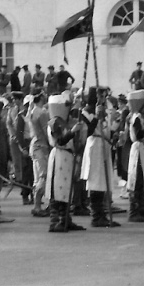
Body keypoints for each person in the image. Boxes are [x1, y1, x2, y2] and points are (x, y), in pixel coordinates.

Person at [45, 94, 86, 232]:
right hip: (59, 157)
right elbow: (60, 141)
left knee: (66, 190)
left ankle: (65, 219)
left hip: (67, 158)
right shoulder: (54, 123)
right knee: (57, 190)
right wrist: (73, 132)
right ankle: (54, 221)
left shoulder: (65, 121)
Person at [80, 92, 120, 228]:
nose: (104, 99)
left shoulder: (105, 111)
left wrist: (115, 129)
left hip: (104, 145)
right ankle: (96, 216)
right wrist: (97, 117)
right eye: (101, 97)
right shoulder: (85, 112)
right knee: (96, 182)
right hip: (95, 147)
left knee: (103, 181)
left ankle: (102, 214)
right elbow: (88, 131)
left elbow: (108, 129)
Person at [126, 90, 144, 222]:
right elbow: (139, 135)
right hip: (138, 149)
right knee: (137, 181)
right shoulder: (137, 118)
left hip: (141, 149)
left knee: (142, 181)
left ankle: (142, 209)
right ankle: (135, 211)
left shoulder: (140, 117)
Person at [27, 91, 50, 217]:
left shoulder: (31, 110)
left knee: (38, 178)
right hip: (41, 145)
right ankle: (37, 206)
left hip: (34, 145)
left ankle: (37, 205)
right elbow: (47, 131)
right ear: (40, 97)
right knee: (43, 176)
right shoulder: (42, 112)